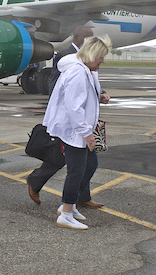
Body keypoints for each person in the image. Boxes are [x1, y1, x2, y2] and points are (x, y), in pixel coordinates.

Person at [41, 35, 112, 230]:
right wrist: (87, 134)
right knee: (76, 172)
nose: (103, 61)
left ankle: (70, 206)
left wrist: (98, 98)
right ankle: (65, 213)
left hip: (80, 129)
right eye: (101, 57)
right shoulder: (78, 72)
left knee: (89, 166)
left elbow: (83, 98)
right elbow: (74, 107)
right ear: (92, 55)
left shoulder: (86, 70)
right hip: (75, 131)